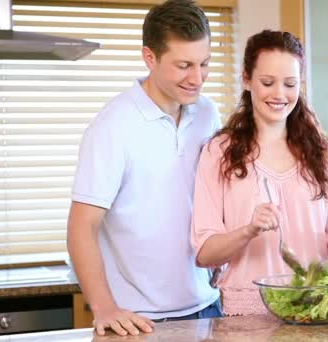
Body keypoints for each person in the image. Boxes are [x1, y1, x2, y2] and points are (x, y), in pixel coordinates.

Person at [67, 0, 222, 336]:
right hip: (140, 321)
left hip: (208, 308)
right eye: (184, 65)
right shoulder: (112, 126)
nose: (197, 78)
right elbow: (82, 227)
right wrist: (104, 306)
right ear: (150, 57)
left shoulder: (208, 114)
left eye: (204, 63)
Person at [191, 30, 328, 316]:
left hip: (316, 309)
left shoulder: (321, 152)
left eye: (290, 84)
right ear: (246, 79)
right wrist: (249, 230)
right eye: (268, 82)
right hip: (246, 317)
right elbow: (204, 253)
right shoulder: (219, 153)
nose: (279, 95)